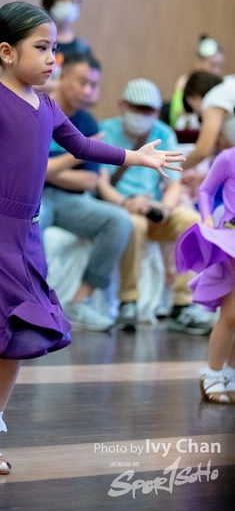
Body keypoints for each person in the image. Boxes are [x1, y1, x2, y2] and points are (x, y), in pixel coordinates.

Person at [0, 1, 183, 480]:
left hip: (26, 235)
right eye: (41, 48)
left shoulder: (47, 105)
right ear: (7, 51)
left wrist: (136, 156)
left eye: (54, 49)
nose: (51, 59)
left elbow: (83, 146)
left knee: (21, 336)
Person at [98, 78, 211, 334]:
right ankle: (128, 301)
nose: (141, 115)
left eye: (148, 110)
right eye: (136, 108)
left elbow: (173, 184)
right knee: (132, 224)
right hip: (120, 207)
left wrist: (166, 209)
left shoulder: (164, 134)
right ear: (121, 105)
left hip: (155, 207)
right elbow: (101, 183)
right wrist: (126, 203)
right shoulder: (106, 132)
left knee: (192, 222)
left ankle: (183, 305)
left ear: (157, 111)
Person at [40, 52, 132, 330]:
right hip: (33, 196)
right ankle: (32, 303)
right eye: (82, 82)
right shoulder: (35, 110)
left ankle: (80, 302)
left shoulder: (88, 124)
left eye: (93, 85)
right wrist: (74, 157)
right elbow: (24, 170)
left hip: (71, 202)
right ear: (62, 77)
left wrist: (45, 169)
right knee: (29, 222)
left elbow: (90, 181)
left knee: (119, 221)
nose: (87, 91)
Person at [176, 147, 235, 403]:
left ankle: (230, 374)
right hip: (230, 241)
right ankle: (212, 373)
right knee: (231, 314)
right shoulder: (229, 157)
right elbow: (206, 190)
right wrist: (207, 218)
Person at [40, 0, 93, 92]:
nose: (68, 4)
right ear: (50, 2)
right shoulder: (37, 39)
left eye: (73, 0)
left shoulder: (82, 48)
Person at [169, 34, 225, 129]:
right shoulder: (184, 82)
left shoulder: (222, 85)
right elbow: (175, 117)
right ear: (198, 62)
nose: (217, 71)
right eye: (213, 65)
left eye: (220, 66)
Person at [182, 71, 235, 170]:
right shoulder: (229, 83)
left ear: (194, 96)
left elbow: (202, 151)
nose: (198, 114)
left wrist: (175, 169)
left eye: (193, 108)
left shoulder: (212, 98)